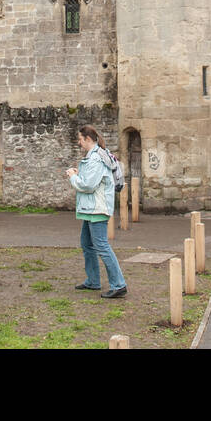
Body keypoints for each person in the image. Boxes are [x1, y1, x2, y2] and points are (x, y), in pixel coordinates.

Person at [68, 124, 127, 298]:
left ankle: (119, 285)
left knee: (101, 246)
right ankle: (93, 281)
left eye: (80, 139)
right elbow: (91, 179)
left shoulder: (96, 158)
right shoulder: (96, 155)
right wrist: (79, 174)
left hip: (97, 208)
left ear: (87, 139)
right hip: (91, 208)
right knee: (87, 244)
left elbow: (88, 185)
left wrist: (73, 177)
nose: (79, 143)